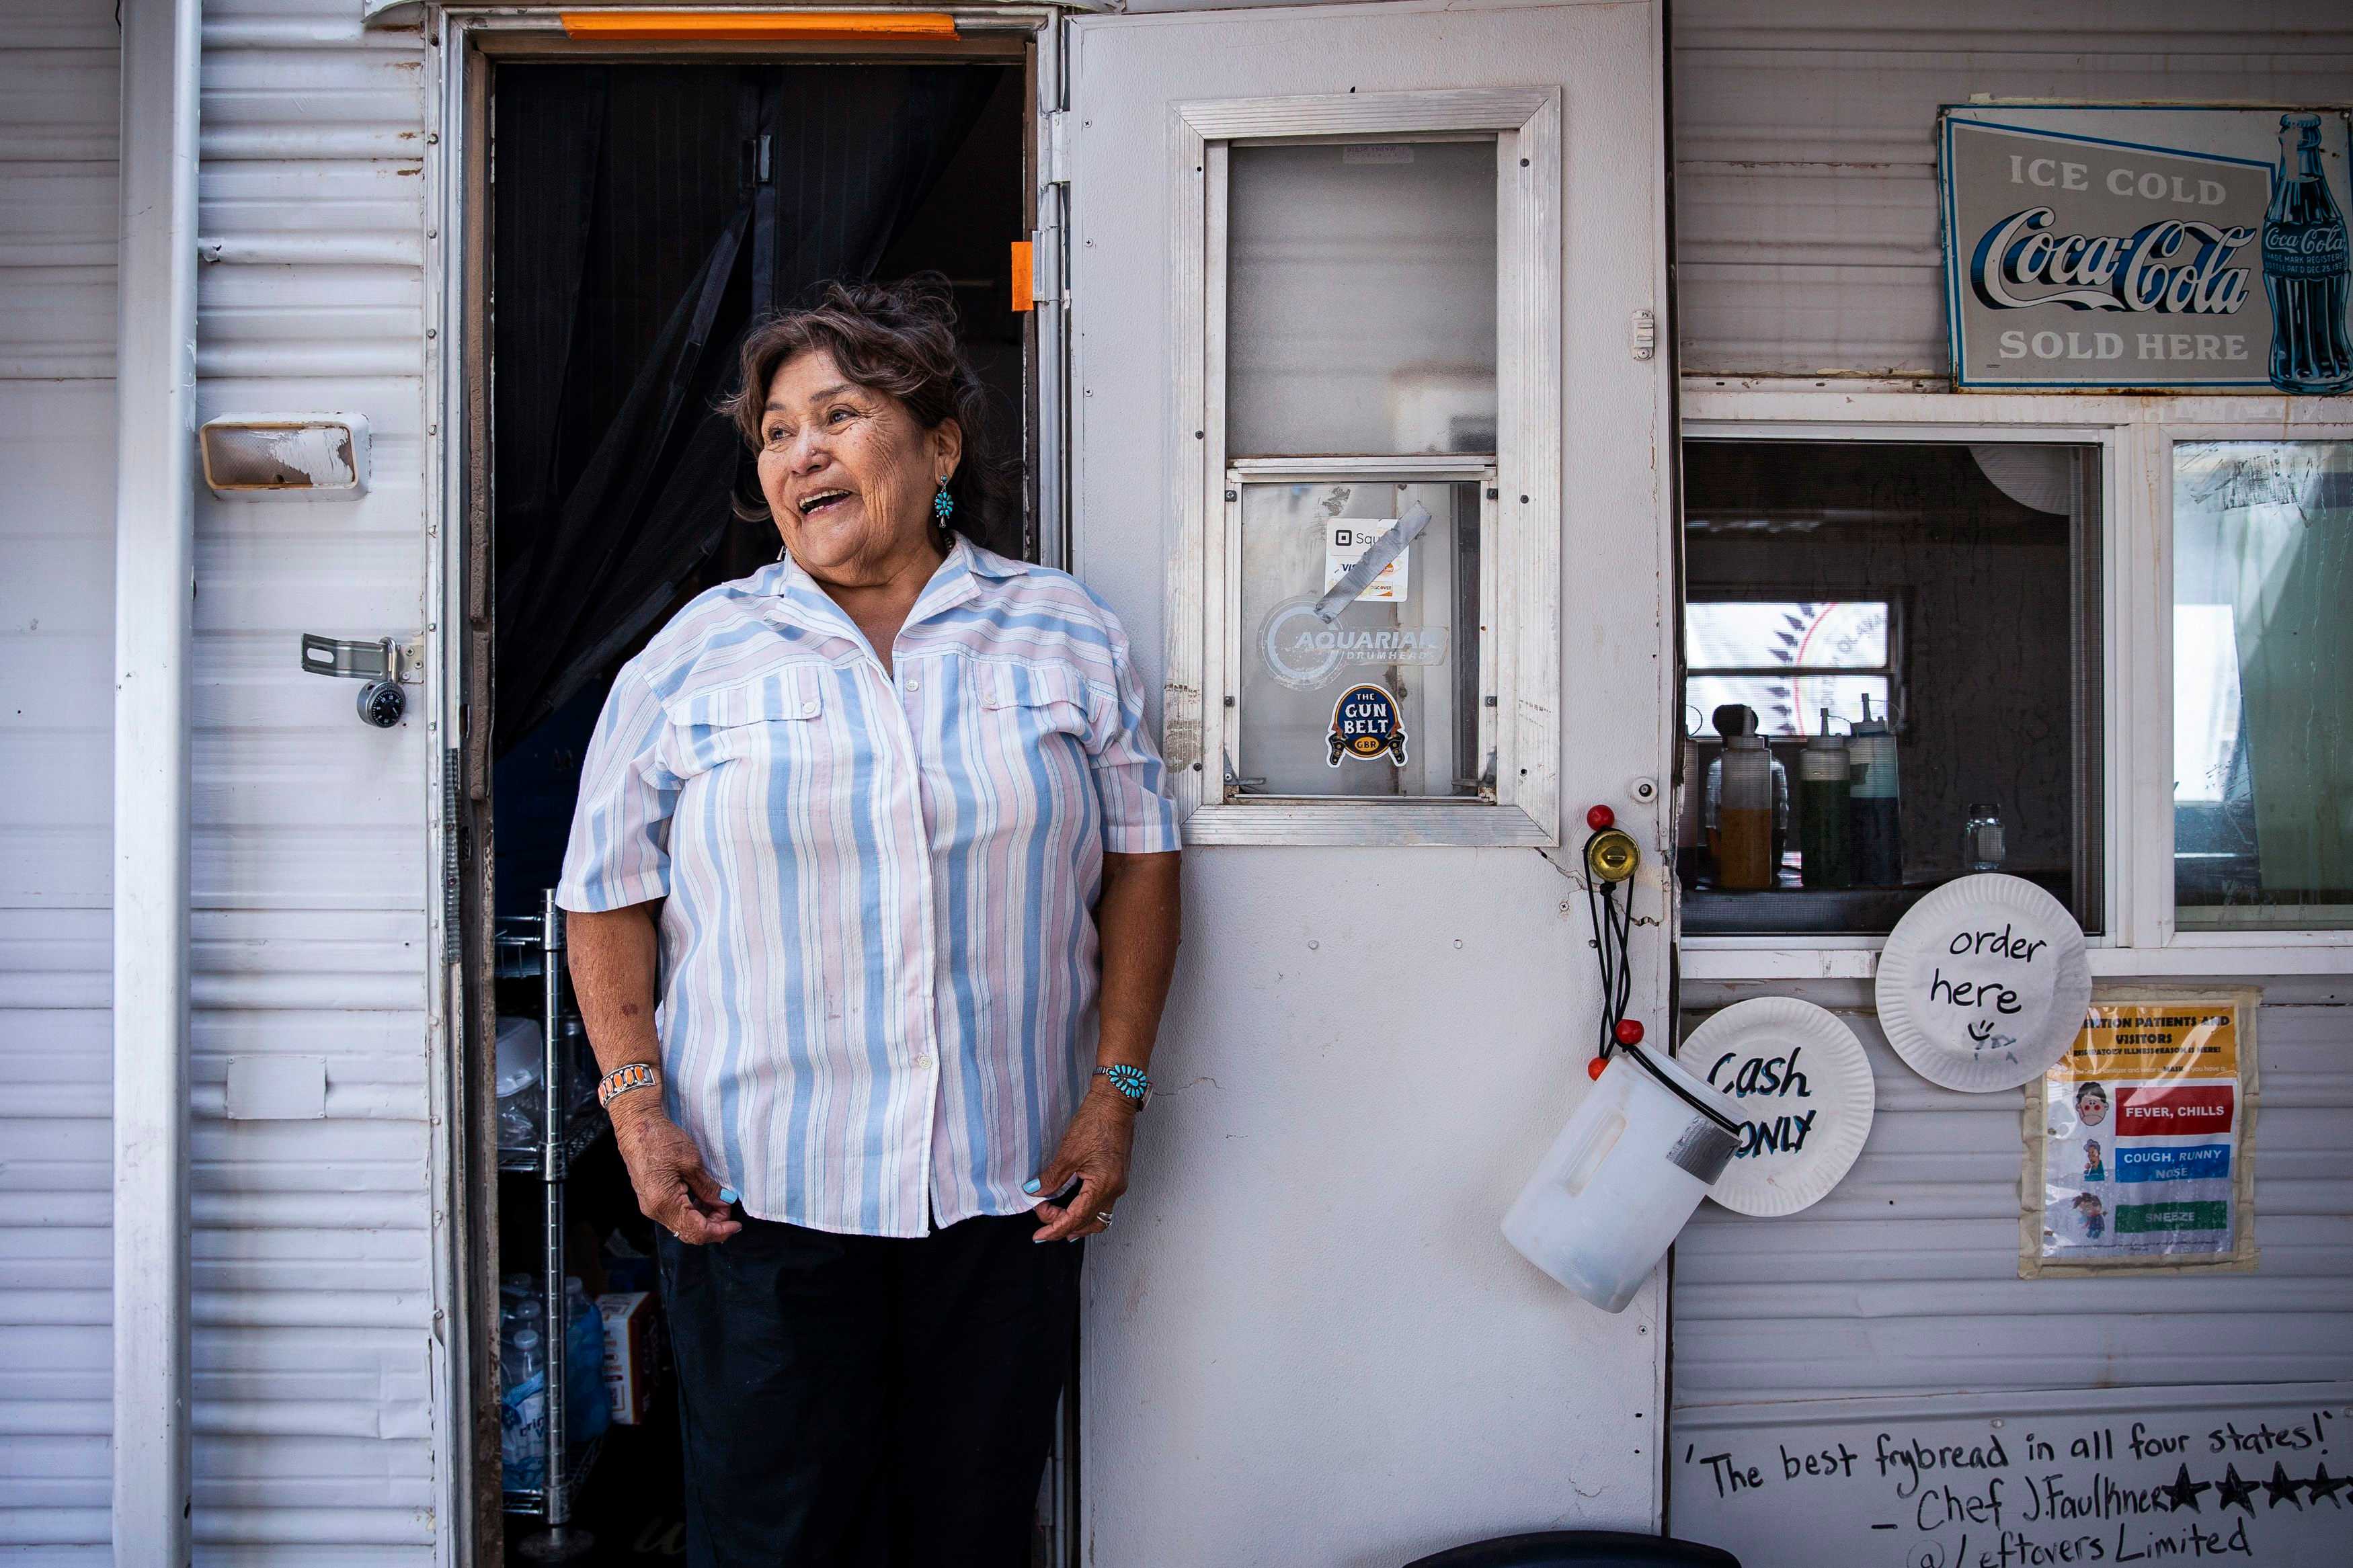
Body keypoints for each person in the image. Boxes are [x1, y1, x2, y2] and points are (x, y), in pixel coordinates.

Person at [555, 277, 1184, 1567]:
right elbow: (602, 890)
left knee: (969, 1529)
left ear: (940, 444)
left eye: (837, 415)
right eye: (777, 432)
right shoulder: (692, 656)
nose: (800, 453)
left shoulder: (1062, 632)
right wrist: (635, 1108)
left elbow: (1141, 862)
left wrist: (1116, 1088)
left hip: (1006, 1195)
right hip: (761, 1203)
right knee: (777, 1539)